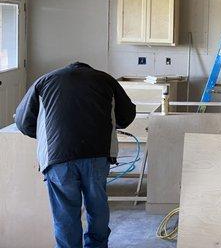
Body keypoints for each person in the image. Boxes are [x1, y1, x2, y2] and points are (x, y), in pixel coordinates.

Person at [15, 62, 136, 248]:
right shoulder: (105, 80)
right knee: (97, 206)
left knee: (65, 212)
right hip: (97, 154)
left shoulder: (44, 81)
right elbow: (127, 115)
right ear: (88, 69)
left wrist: (46, 134)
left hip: (58, 157)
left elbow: (23, 122)